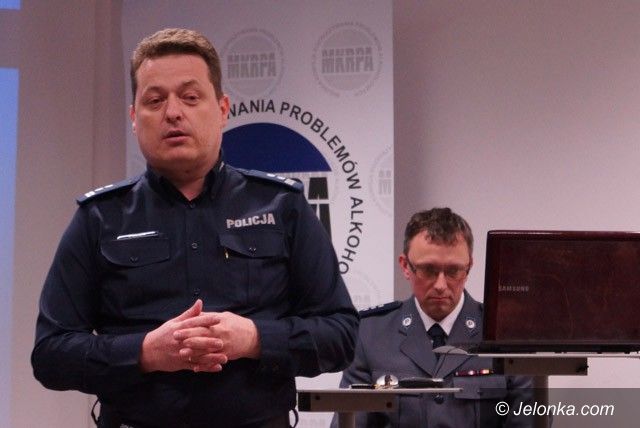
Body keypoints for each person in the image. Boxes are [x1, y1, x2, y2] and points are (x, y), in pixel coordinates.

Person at [31, 28, 359, 428]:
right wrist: (145, 352)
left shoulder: (282, 205)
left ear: (222, 108)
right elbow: (50, 354)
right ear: (134, 117)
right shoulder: (100, 217)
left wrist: (254, 338)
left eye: (190, 97)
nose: (172, 112)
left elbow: (340, 334)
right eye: (154, 100)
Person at [334, 207, 533, 427]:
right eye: (428, 270)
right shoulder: (371, 335)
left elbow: (529, 420)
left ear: (469, 267)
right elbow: (350, 422)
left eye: (453, 271)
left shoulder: (506, 334)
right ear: (405, 266)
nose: (440, 285)